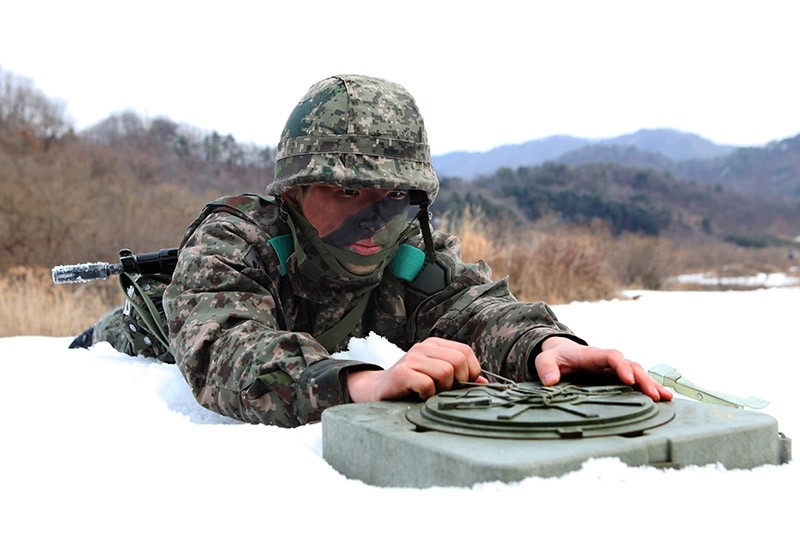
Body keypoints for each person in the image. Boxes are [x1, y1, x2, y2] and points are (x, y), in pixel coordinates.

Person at [71, 74, 672, 427]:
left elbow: (476, 307)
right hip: (128, 350)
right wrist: (360, 384)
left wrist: (550, 346)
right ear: (297, 189)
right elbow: (226, 352)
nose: (374, 219)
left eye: (393, 198)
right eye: (349, 190)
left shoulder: (401, 252)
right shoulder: (236, 241)